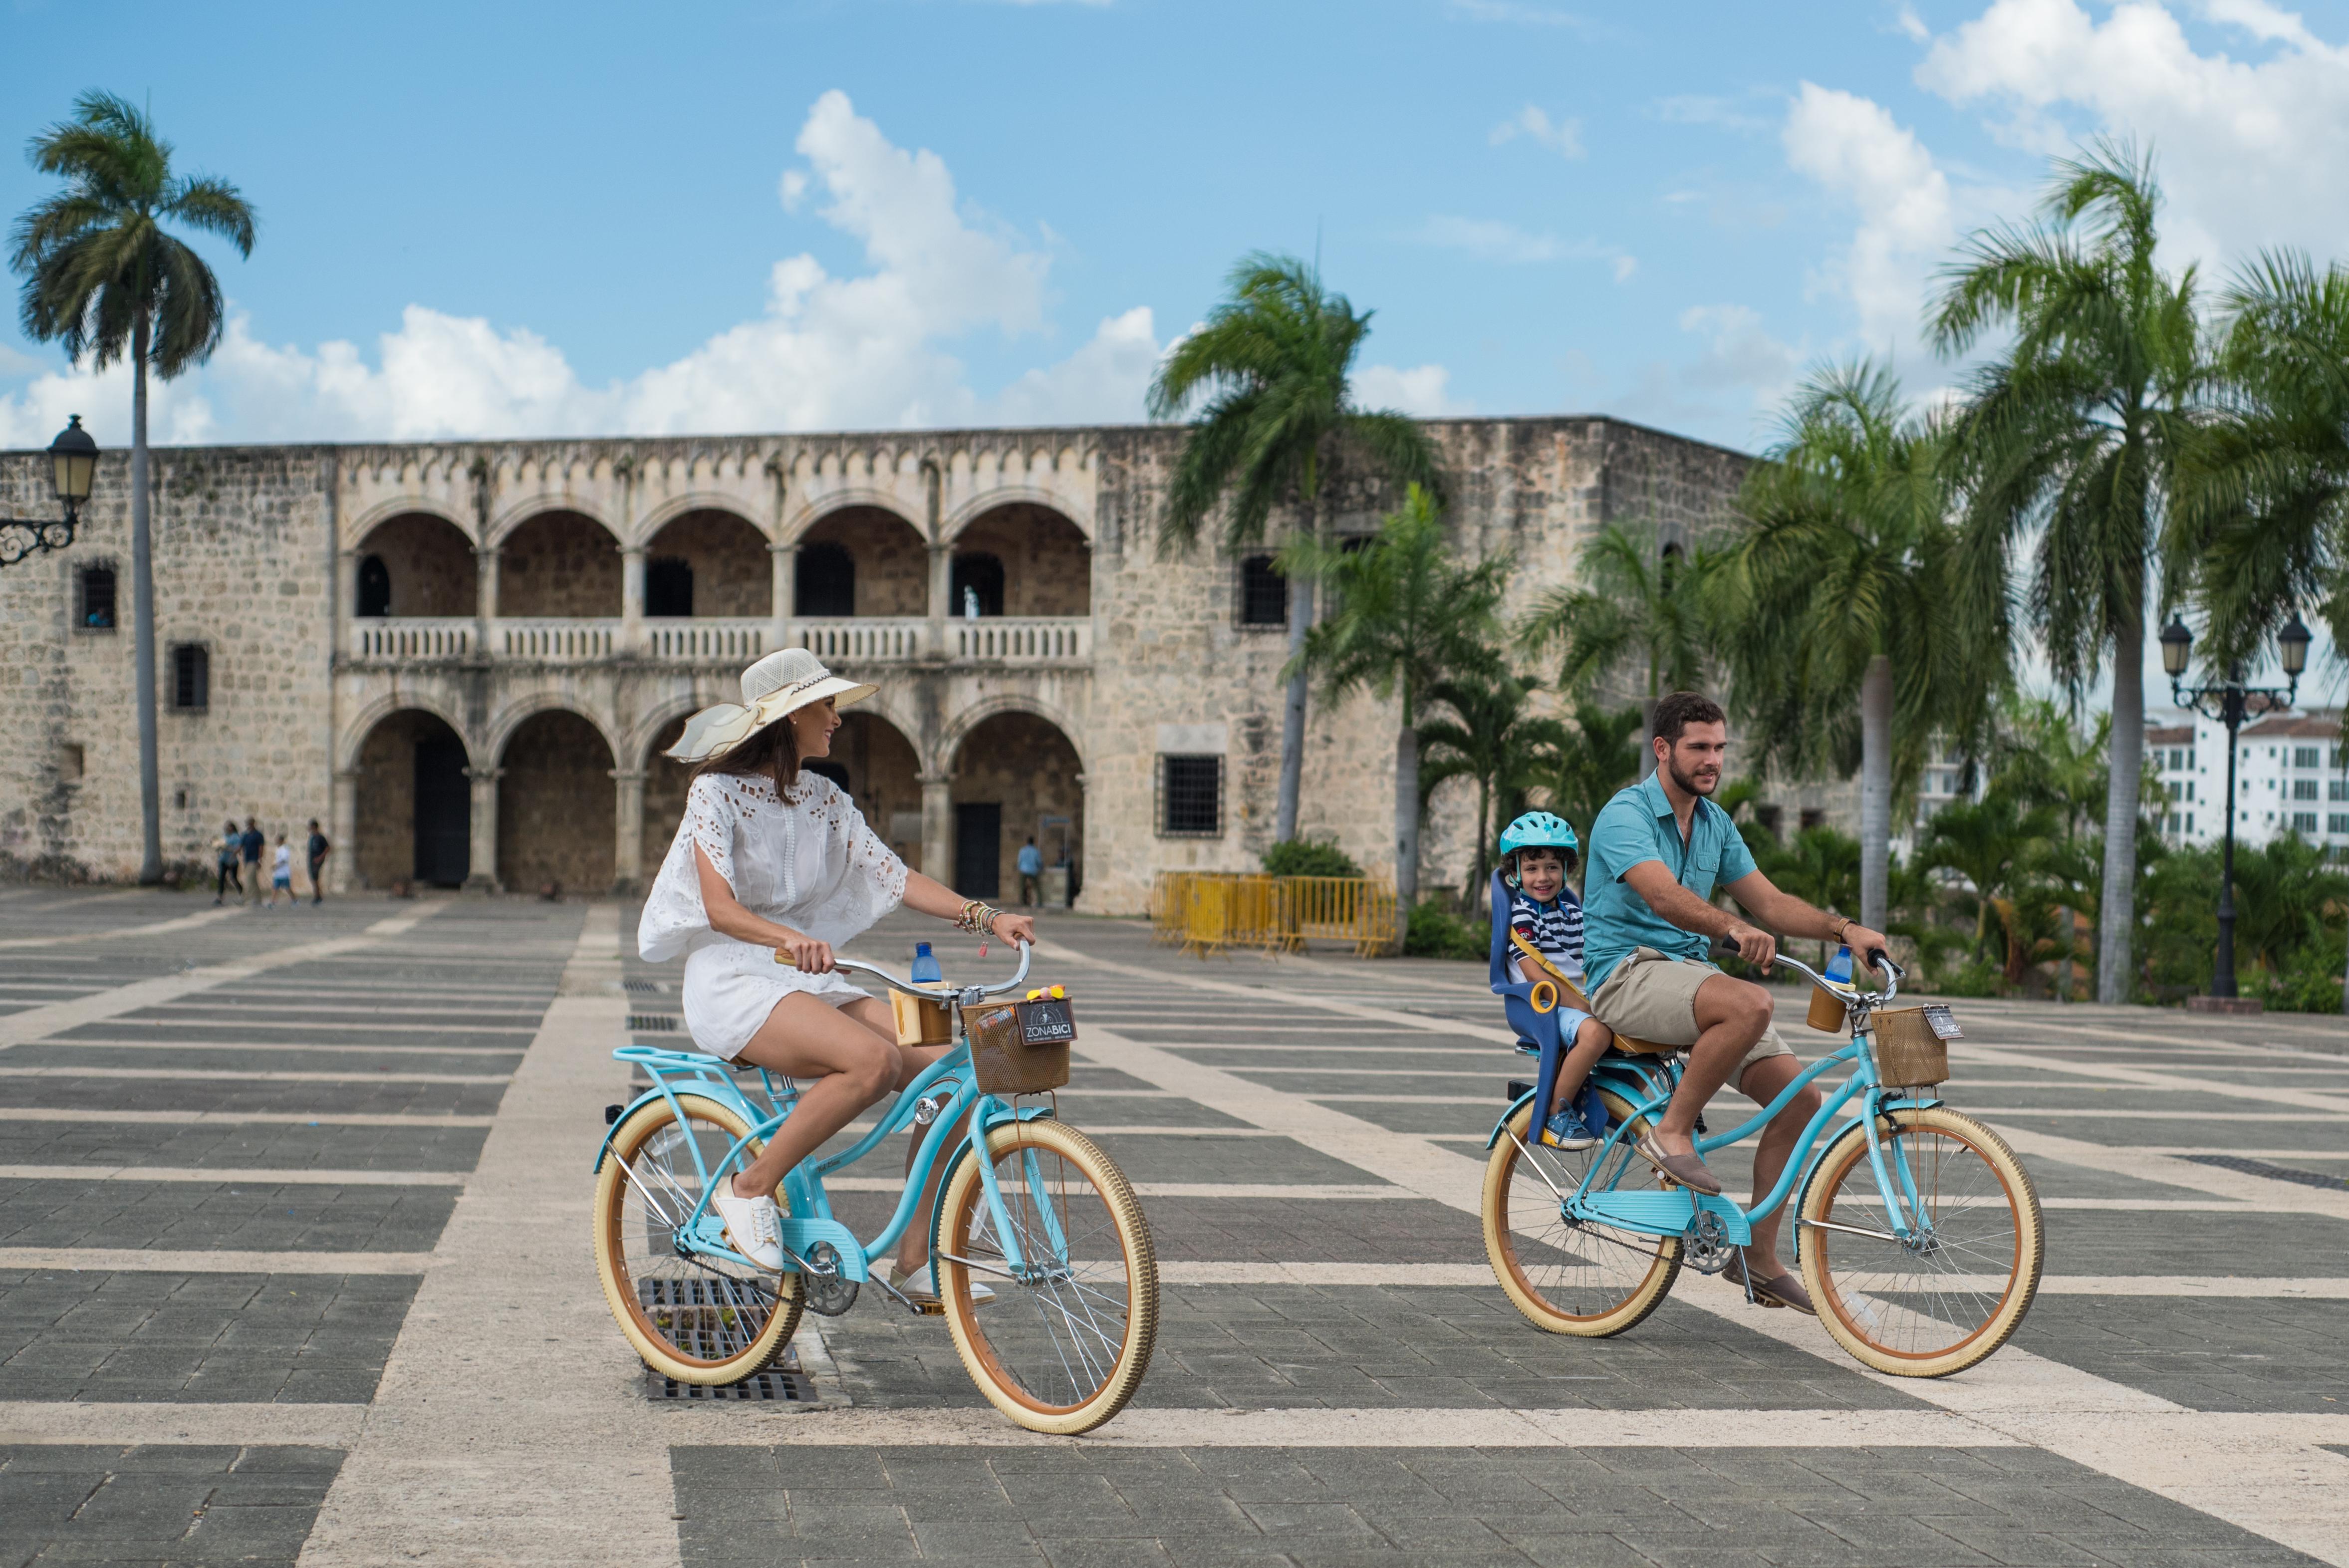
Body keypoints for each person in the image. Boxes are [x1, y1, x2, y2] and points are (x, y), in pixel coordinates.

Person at [638, 648, 1038, 1307]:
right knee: (870, 1062)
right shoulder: (713, 793)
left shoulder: (826, 799)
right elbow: (719, 909)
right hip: (735, 980)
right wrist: (788, 937)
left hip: (813, 978)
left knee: (951, 1071)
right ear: (787, 715)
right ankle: (750, 1186)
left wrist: (984, 915)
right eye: (825, 705)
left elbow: (895, 875)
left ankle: (914, 1254)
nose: (837, 718)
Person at [1581, 691, 1886, 1316]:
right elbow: (1664, 898)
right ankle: (1671, 1134)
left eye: (1720, 747)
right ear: (1664, 749)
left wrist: (1845, 930)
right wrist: (1730, 929)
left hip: (1690, 978)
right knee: (1750, 1004)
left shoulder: (1715, 824)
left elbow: (1771, 904)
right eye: (1699, 746)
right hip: (1627, 973)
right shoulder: (1625, 814)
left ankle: (1759, 1257)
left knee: (1800, 1098)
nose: (1713, 759)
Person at [1496, 812, 1615, 1149]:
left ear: (1565, 869)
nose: (1542, 877)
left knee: (1641, 1022)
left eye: (1552, 867)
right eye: (1532, 868)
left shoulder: (1572, 912)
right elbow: (1536, 974)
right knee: (1596, 1032)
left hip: (1573, 999)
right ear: (1515, 873)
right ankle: (1556, 1111)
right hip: (1537, 1003)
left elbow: (1588, 957)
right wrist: (1587, 1006)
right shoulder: (1521, 913)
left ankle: (1616, 1104)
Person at [239, 817, 265, 907]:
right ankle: (258, 899)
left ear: (254, 824)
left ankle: (246, 899)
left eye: (250, 823)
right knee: (253, 881)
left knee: (248, 880)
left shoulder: (258, 835)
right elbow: (241, 846)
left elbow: (261, 848)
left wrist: (260, 860)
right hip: (247, 860)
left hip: (254, 860)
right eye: (248, 824)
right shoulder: (245, 835)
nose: (249, 825)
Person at [214, 821, 242, 905]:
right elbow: (221, 846)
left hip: (232, 860)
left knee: (234, 879)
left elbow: (236, 849)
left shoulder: (236, 837)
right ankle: (220, 898)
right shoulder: (225, 836)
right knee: (222, 879)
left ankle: (242, 894)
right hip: (223, 860)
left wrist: (226, 847)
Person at [305, 819, 331, 904]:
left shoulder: (320, 837)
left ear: (314, 827)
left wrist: (320, 858)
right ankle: (318, 895)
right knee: (313, 879)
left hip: (317, 860)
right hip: (312, 860)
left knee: (315, 878)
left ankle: (318, 896)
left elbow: (327, 848)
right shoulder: (312, 837)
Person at [267, 834, 294, 908]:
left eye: (278, 840)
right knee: (275, 888)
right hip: (278, 873)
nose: (276, 841)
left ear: (282, 840)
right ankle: (273, 902)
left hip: (284, 873)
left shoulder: (285, 849)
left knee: (287, 888)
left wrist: (276, 866)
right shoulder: (278, 849)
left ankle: (295, 900)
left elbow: (284, 860)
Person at [1016, 836, 1043, 907]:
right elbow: (1039, 862)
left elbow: (1019, 861)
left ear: (1027, 842)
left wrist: (1019, 868)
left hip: (1023, 870)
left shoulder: (1023, 850)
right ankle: (1039, 902)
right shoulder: (1036, 851)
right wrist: (1040, 868)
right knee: (1036, 887)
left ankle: (1021, 902)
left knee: (1022, 887)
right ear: (1033, 842)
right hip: (1033, 871)